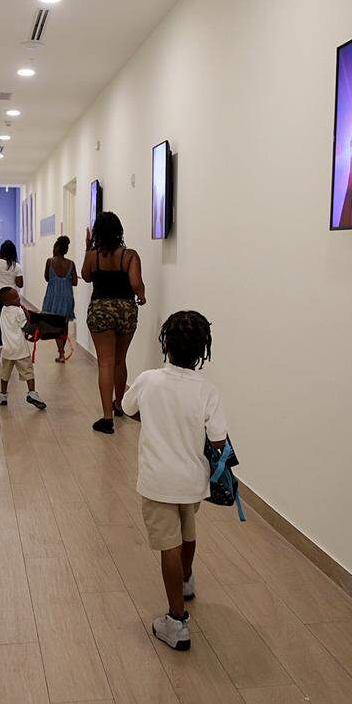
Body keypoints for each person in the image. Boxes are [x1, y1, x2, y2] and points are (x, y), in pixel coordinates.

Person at [121, 310, 225, 651]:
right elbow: (219, 437)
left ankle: (176, 622)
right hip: (192, 480)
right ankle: (186, 579)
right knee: (188, 530)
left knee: (169, 544)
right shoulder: (206, 390)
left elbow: (127, 408)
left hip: (157, 481)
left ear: (164, 343)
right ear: (202, 351)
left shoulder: (149, 379)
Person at [81, 212, 146, 434]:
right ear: (119, 231)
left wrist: (88, 249)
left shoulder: (93, 255)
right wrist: (143, 296)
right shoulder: (130, 255)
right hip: (126, 310)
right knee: (120, 359)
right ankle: (120, 405)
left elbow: (86, 276)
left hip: (100, 309)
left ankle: (107, 418)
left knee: (105, 362)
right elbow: (136, 284)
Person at [0, 287, 47, 410]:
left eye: (18, 295)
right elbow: (25, 327)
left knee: (5, 374)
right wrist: (31, 319)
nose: (18, 298)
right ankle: (32, 393)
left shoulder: (3, 310)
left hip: (7, 350)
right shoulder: (18, 311)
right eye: (15, 297)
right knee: (28, 372)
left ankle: (3, 396)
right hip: (20, 349)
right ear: (7, 301)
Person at [41, 235, 78, 362]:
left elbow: (47, 278)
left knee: (56, 326)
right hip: (67, 296)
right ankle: (62, 353)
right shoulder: (71, 264)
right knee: (64, 325)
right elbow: (74, 282)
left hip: (53, 296)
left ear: (56, 248)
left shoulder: (49, 261)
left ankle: (61, 353)